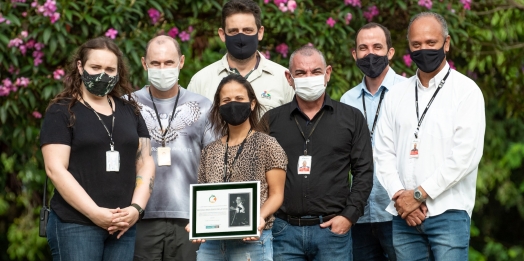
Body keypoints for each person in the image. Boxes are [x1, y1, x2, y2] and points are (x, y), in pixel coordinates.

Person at [374, 12, 485, 260]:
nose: (423, 49)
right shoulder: (396, 94)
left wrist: (418, 195)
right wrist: (399, 196)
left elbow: (465, 156)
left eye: (431, 43)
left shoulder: (466, 91)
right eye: (416, 44)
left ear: (446, 43)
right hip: (404, 216)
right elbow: (382, 152)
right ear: (409, 47)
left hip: (449, 212)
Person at [40, 37, 155, 261]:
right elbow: (55, 169)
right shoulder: (62, 111)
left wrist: (136, 209)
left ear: (118, 72)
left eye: (110, 69)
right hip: (76, 225)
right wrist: (95, 213)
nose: (103, 74)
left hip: (123, 225)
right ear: (80, 67)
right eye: (95, 67)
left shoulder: (130, 110)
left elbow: (146, 162)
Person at [264, 46, 374, 261]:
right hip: (283, 231)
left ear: (327, 74)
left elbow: (364, 171)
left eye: (315, 72)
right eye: (300, 73)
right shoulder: (271, 121)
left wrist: (349, 216)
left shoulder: (351, 118)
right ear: (289, 77)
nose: (309, 78)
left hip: (332, 232)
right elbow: (258, 173)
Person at [132, 35, 214, 261]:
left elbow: (214, 164)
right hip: (140, 216)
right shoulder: (128, 105)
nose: (162, 69)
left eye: (169, 62)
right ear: (144, 63)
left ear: (181, 62)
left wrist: (207, 216)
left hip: (189, 219)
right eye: (155, 63)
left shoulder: (204, 106)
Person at [190, 74, 287, 261]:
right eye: (226, 100)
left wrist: (258, 218)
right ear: (219, 107)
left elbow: (277, 194)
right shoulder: (210, 151)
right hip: (212, 244)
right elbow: (204, 196)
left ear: (251, 104)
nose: (232, 104)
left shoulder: (268, 144)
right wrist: (197, 223)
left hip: (252, 241)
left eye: (239, 99)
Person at [340, 22, 407, 261]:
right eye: (363, 47)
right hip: (359, 215)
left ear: (390, 52)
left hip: (398, 212)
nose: (370, 54)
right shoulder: (347, 100)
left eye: (377, 47)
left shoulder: (408, 92)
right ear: (355, 54)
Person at [187, 0, 294, 112]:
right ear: (222, 34)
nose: (241, 37)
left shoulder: (284, 80)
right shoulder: (200, 82)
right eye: (233, 31)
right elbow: (190, 127)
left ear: (260, 32)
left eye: (248, 30)